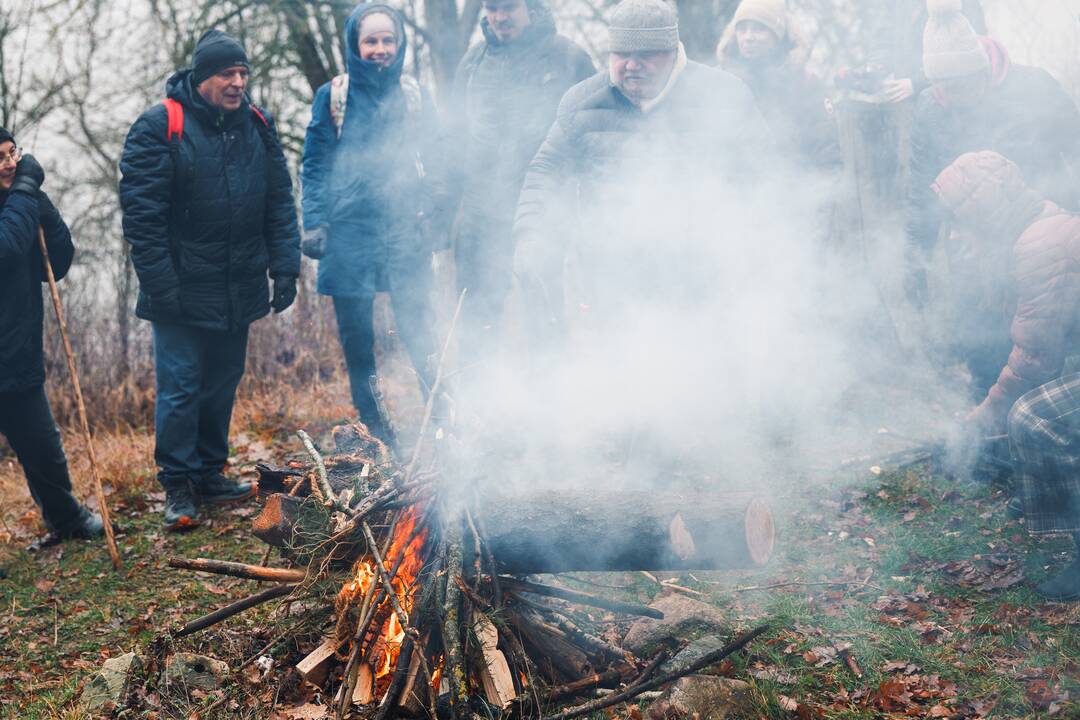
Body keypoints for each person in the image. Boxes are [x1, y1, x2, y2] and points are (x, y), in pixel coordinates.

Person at [119, 30, 301, 531]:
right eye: (228, 73)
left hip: (238, 283)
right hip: (178, 288)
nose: (238, 82)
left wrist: (285, 266)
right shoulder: (159, 126)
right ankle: (178, 485)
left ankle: (209, 473)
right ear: (202, 78)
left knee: (222, 385)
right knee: (180, 389)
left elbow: (279, 201)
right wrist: (160, 284)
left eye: (243, 73)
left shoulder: (257, 125)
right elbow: (142, 216)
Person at [512, 0, 770, 332]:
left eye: (646, 54)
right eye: (621, 54)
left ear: (672, 50)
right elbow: (546, 171)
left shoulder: (723, 96)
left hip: (704, 279)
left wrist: (753, 246)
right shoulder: (581, 103)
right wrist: (531, 235)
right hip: (612, 281)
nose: (632, 65)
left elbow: (764, 174)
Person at [933, 151, 1080, 601]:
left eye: (961, 219)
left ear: (985, 210)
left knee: (1035, 418)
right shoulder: (1035, 226)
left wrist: (982, 419)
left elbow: (1035, 360)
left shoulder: (1041, 243)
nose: (956, 233)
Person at [300, 4, 446, 441]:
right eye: (371, 41)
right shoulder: (334, 96)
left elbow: (437, 159)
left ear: (398, 44)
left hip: (407, 232)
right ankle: (379, 433)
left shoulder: (415, 95)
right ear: (355, 45)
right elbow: (316, 162)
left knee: (421, 334)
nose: (380, 49)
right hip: (348, 236)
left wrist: (435, 217)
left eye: (388, 40)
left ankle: (444, 423)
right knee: (359, 345)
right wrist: (314, 222)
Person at [906, 0, 1080, 310]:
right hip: (975, 250)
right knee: (980, 345)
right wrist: (915, 262)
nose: (952, 97)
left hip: (1043, 238)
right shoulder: (929, 108)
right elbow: (921, 190)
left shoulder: (1034, 87)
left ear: (980, 69)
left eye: (960, 86)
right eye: (943, 87)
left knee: (1046, 335)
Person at [449, 0, 595, 359]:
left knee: (542, 308)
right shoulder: (472, 63)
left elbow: (592, 132)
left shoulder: (569, 58)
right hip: (481, 211)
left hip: (541, 207)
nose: (499, 18)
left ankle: (549, 402)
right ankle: (477, 403)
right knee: (476, 314)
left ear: (530, 8)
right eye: (492, 9)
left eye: (509, 8)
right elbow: (454, 140)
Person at [0, 127, 104, 546]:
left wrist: (40, 203)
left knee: (43, 448)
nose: (10, 163)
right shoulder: (16, 207)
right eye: (0, 157)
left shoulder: (19, 206)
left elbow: (57, 263)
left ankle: (67, 519)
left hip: (16, 354)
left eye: (13, 153)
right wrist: (26, 191)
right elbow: (5, 247)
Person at [716, 0, 840, 172]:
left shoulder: (806, 85)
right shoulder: (722, 83)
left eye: (759, 29)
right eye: (742, 29)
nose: (748, 37)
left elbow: (828, 153)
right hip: (733, 193)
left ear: (777, 35)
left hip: (796, 190)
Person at [866, 0, 985, 105]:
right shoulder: (900, 3)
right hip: (903, 97)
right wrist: (878, 64)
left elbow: (971, 59)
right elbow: (886, 37)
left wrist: (917, 83)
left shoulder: (966, 4)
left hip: (948, 102)